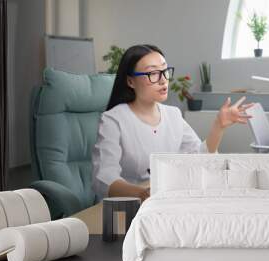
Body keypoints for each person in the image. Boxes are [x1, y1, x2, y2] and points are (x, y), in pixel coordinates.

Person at [91, 44, 254, 202]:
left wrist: (219, 126)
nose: (163, 80)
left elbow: (199, 158)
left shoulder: (173, 115)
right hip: (125, 207)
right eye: (153, 73)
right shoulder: (114, 119)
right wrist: (142, 194)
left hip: (164, 202)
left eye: (165, 71)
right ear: (130, 81)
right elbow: (104, 177)